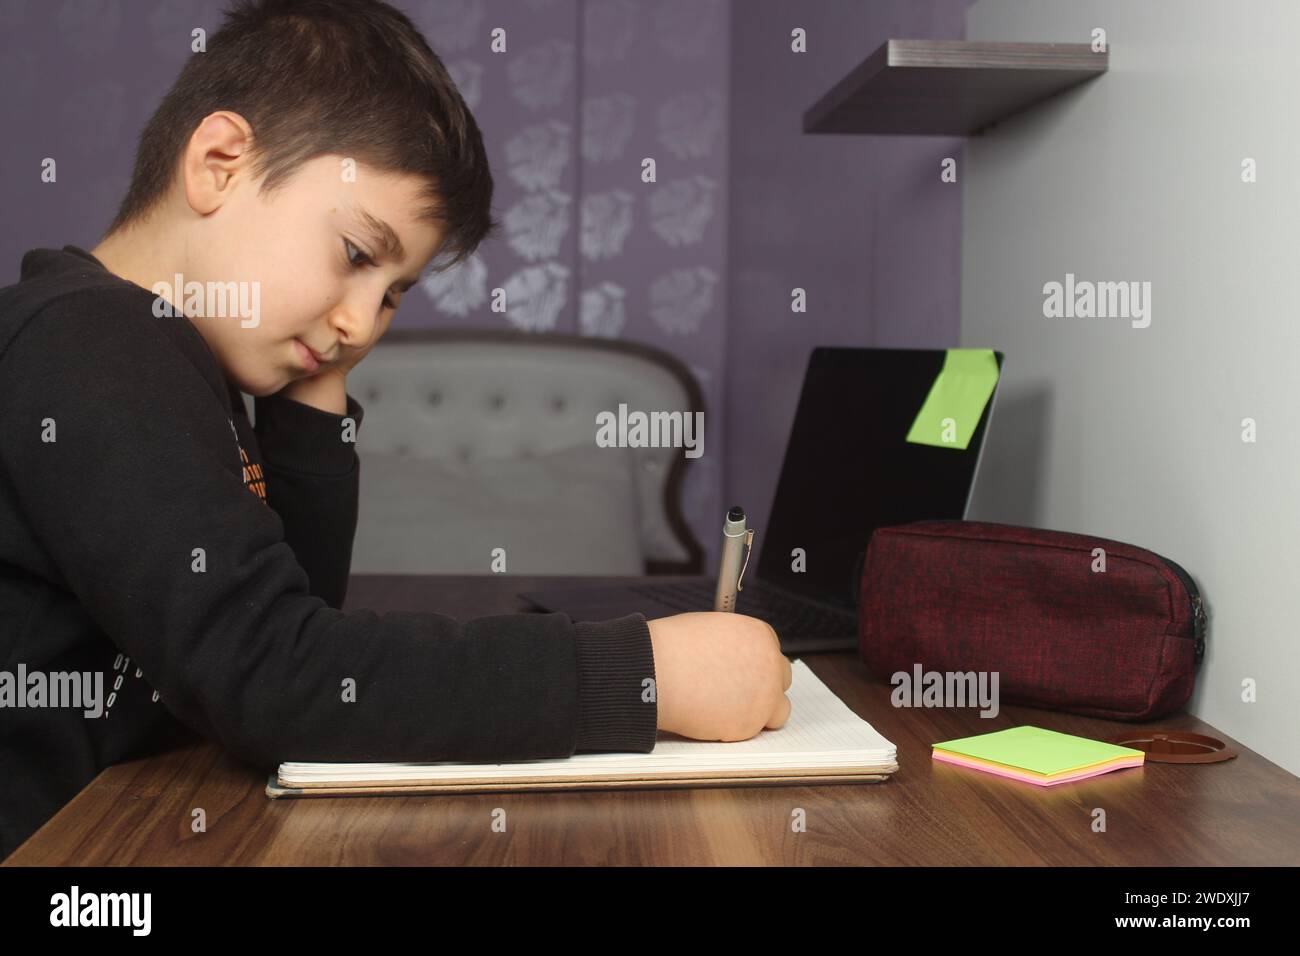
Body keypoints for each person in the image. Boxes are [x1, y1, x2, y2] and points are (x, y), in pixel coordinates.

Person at [0, 0, 789, 860]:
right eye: (355, 255)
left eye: (392, 295)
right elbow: (278, 675)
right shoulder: (94, 343)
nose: (365, 323)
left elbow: (288, 614)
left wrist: (316, 378)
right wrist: (645, 675)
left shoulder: (175, 355)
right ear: (221, 164)